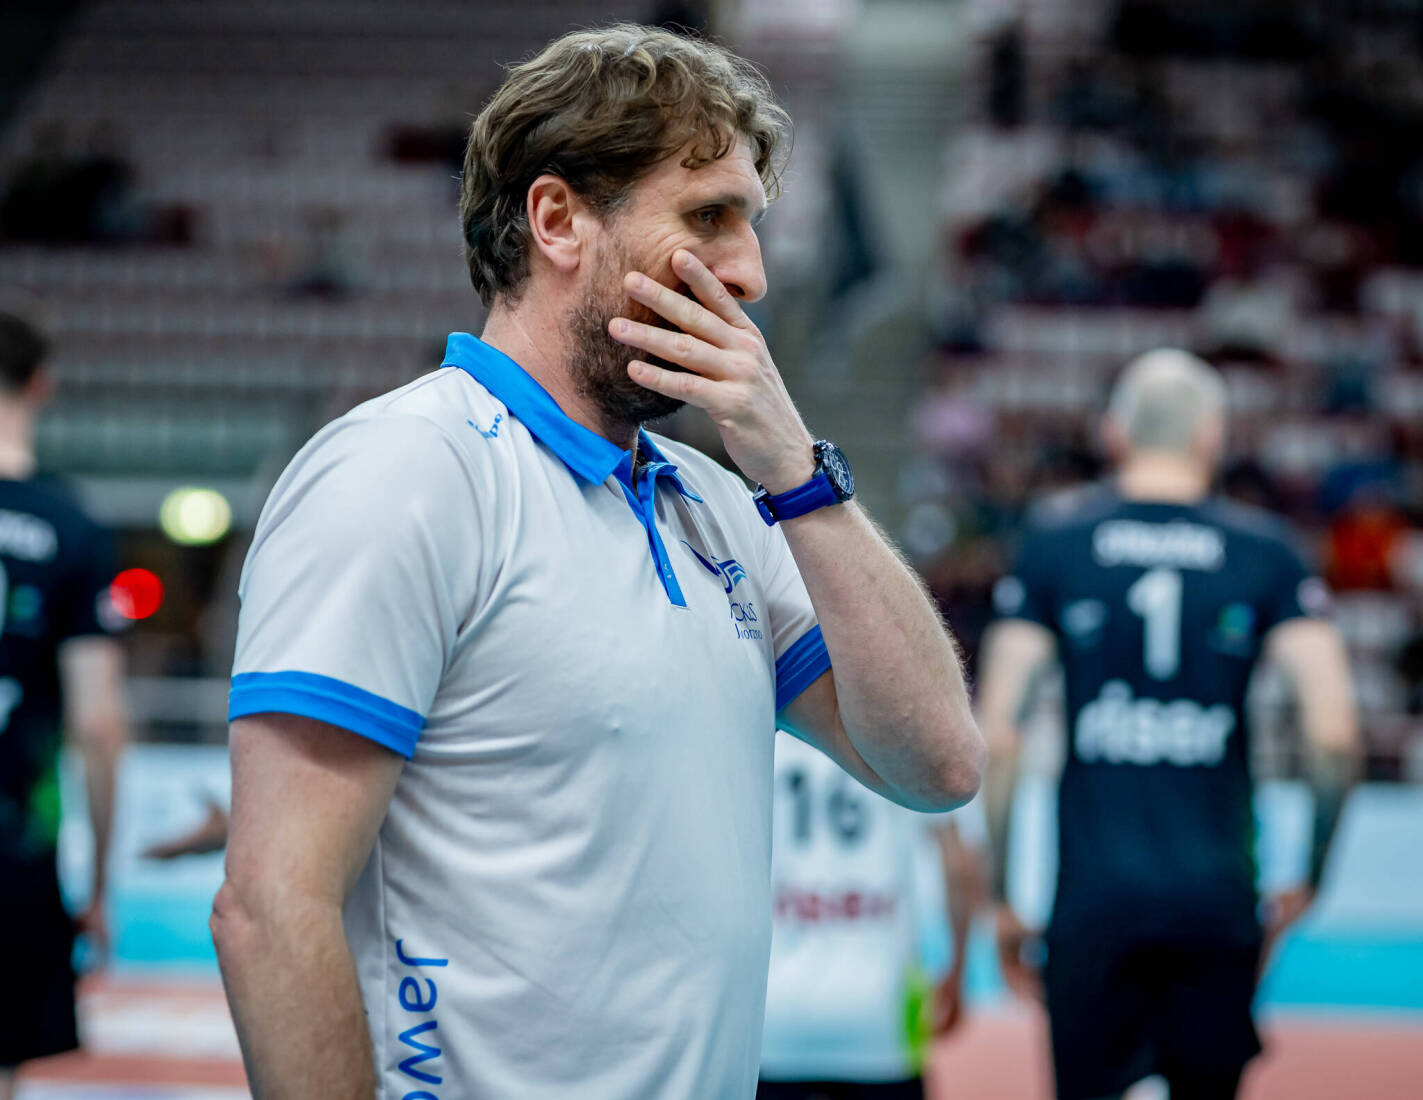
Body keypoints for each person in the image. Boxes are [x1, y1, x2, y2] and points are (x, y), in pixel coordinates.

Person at [212, 25, 983, 1100]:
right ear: (557, 218)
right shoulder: (406, 471)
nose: (750, 273)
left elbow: (936, 765)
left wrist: (801, 477)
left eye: (750, 225)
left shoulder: (721, 504)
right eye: (707, 217)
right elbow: (270, 904)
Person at [979, 348, 1361, 1100]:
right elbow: (1333, 735)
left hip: (1093, 900)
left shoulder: (1057, 544)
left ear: (1113, 433)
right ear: (1212, 435)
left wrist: (1001, 894)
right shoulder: (1266, 552)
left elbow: (999, 732)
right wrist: (1311, 874)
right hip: (1216, 898)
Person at [0, 307, 128, 1100]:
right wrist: (99, 884)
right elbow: (97, 724)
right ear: (42, 385)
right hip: (14, 854)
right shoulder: (70, 526)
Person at [758, 731, 986, 1100]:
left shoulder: (762, 735)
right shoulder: (907, 734)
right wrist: (958, 971)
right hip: (881, 1016)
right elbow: (960, 867)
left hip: (775, 1017)